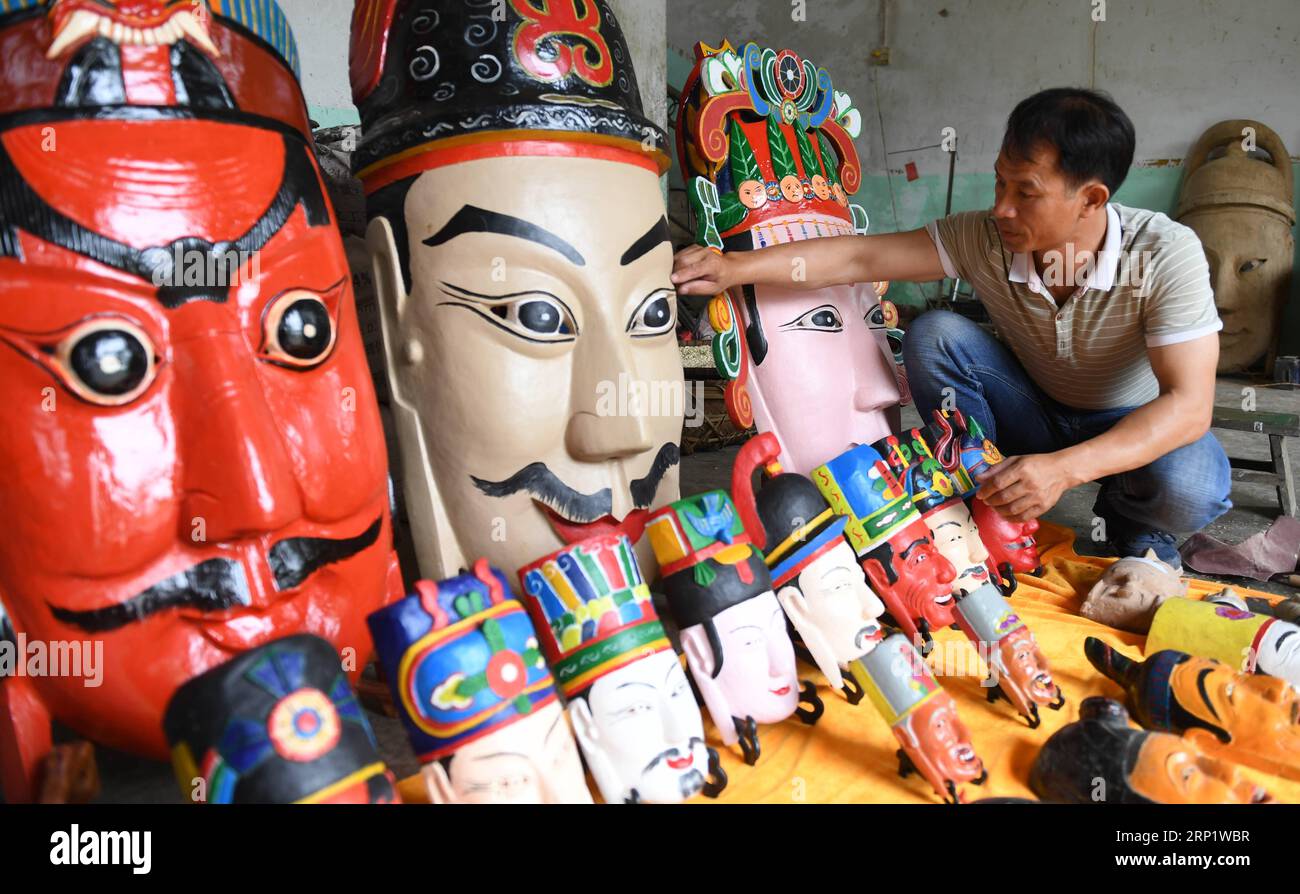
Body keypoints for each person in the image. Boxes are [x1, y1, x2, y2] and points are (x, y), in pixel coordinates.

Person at [672, 87, 1229, 567]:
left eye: (1025, 193)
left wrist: (1064, 470)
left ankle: (1133, 521)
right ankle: (973, 489)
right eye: (999, 184)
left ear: (1091, 199)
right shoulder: (984, 237)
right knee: (937, 332)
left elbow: (1188, 404)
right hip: (1031, 408)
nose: (1002, 208)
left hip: (1128, 419)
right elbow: (860, 260)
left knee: (1194, 484)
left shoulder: (1163, 253)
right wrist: (735, 266)